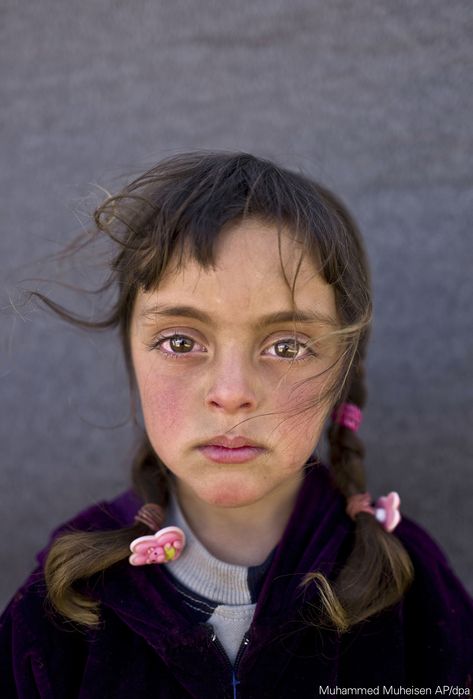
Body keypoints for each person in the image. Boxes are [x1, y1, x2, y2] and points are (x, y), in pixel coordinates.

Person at [1, 151, 472, 697]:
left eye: (288, 346)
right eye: (181, 342)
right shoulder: (65, 602)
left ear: (343, 368)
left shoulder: (411, 588)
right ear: (132, 352)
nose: (230, 393)